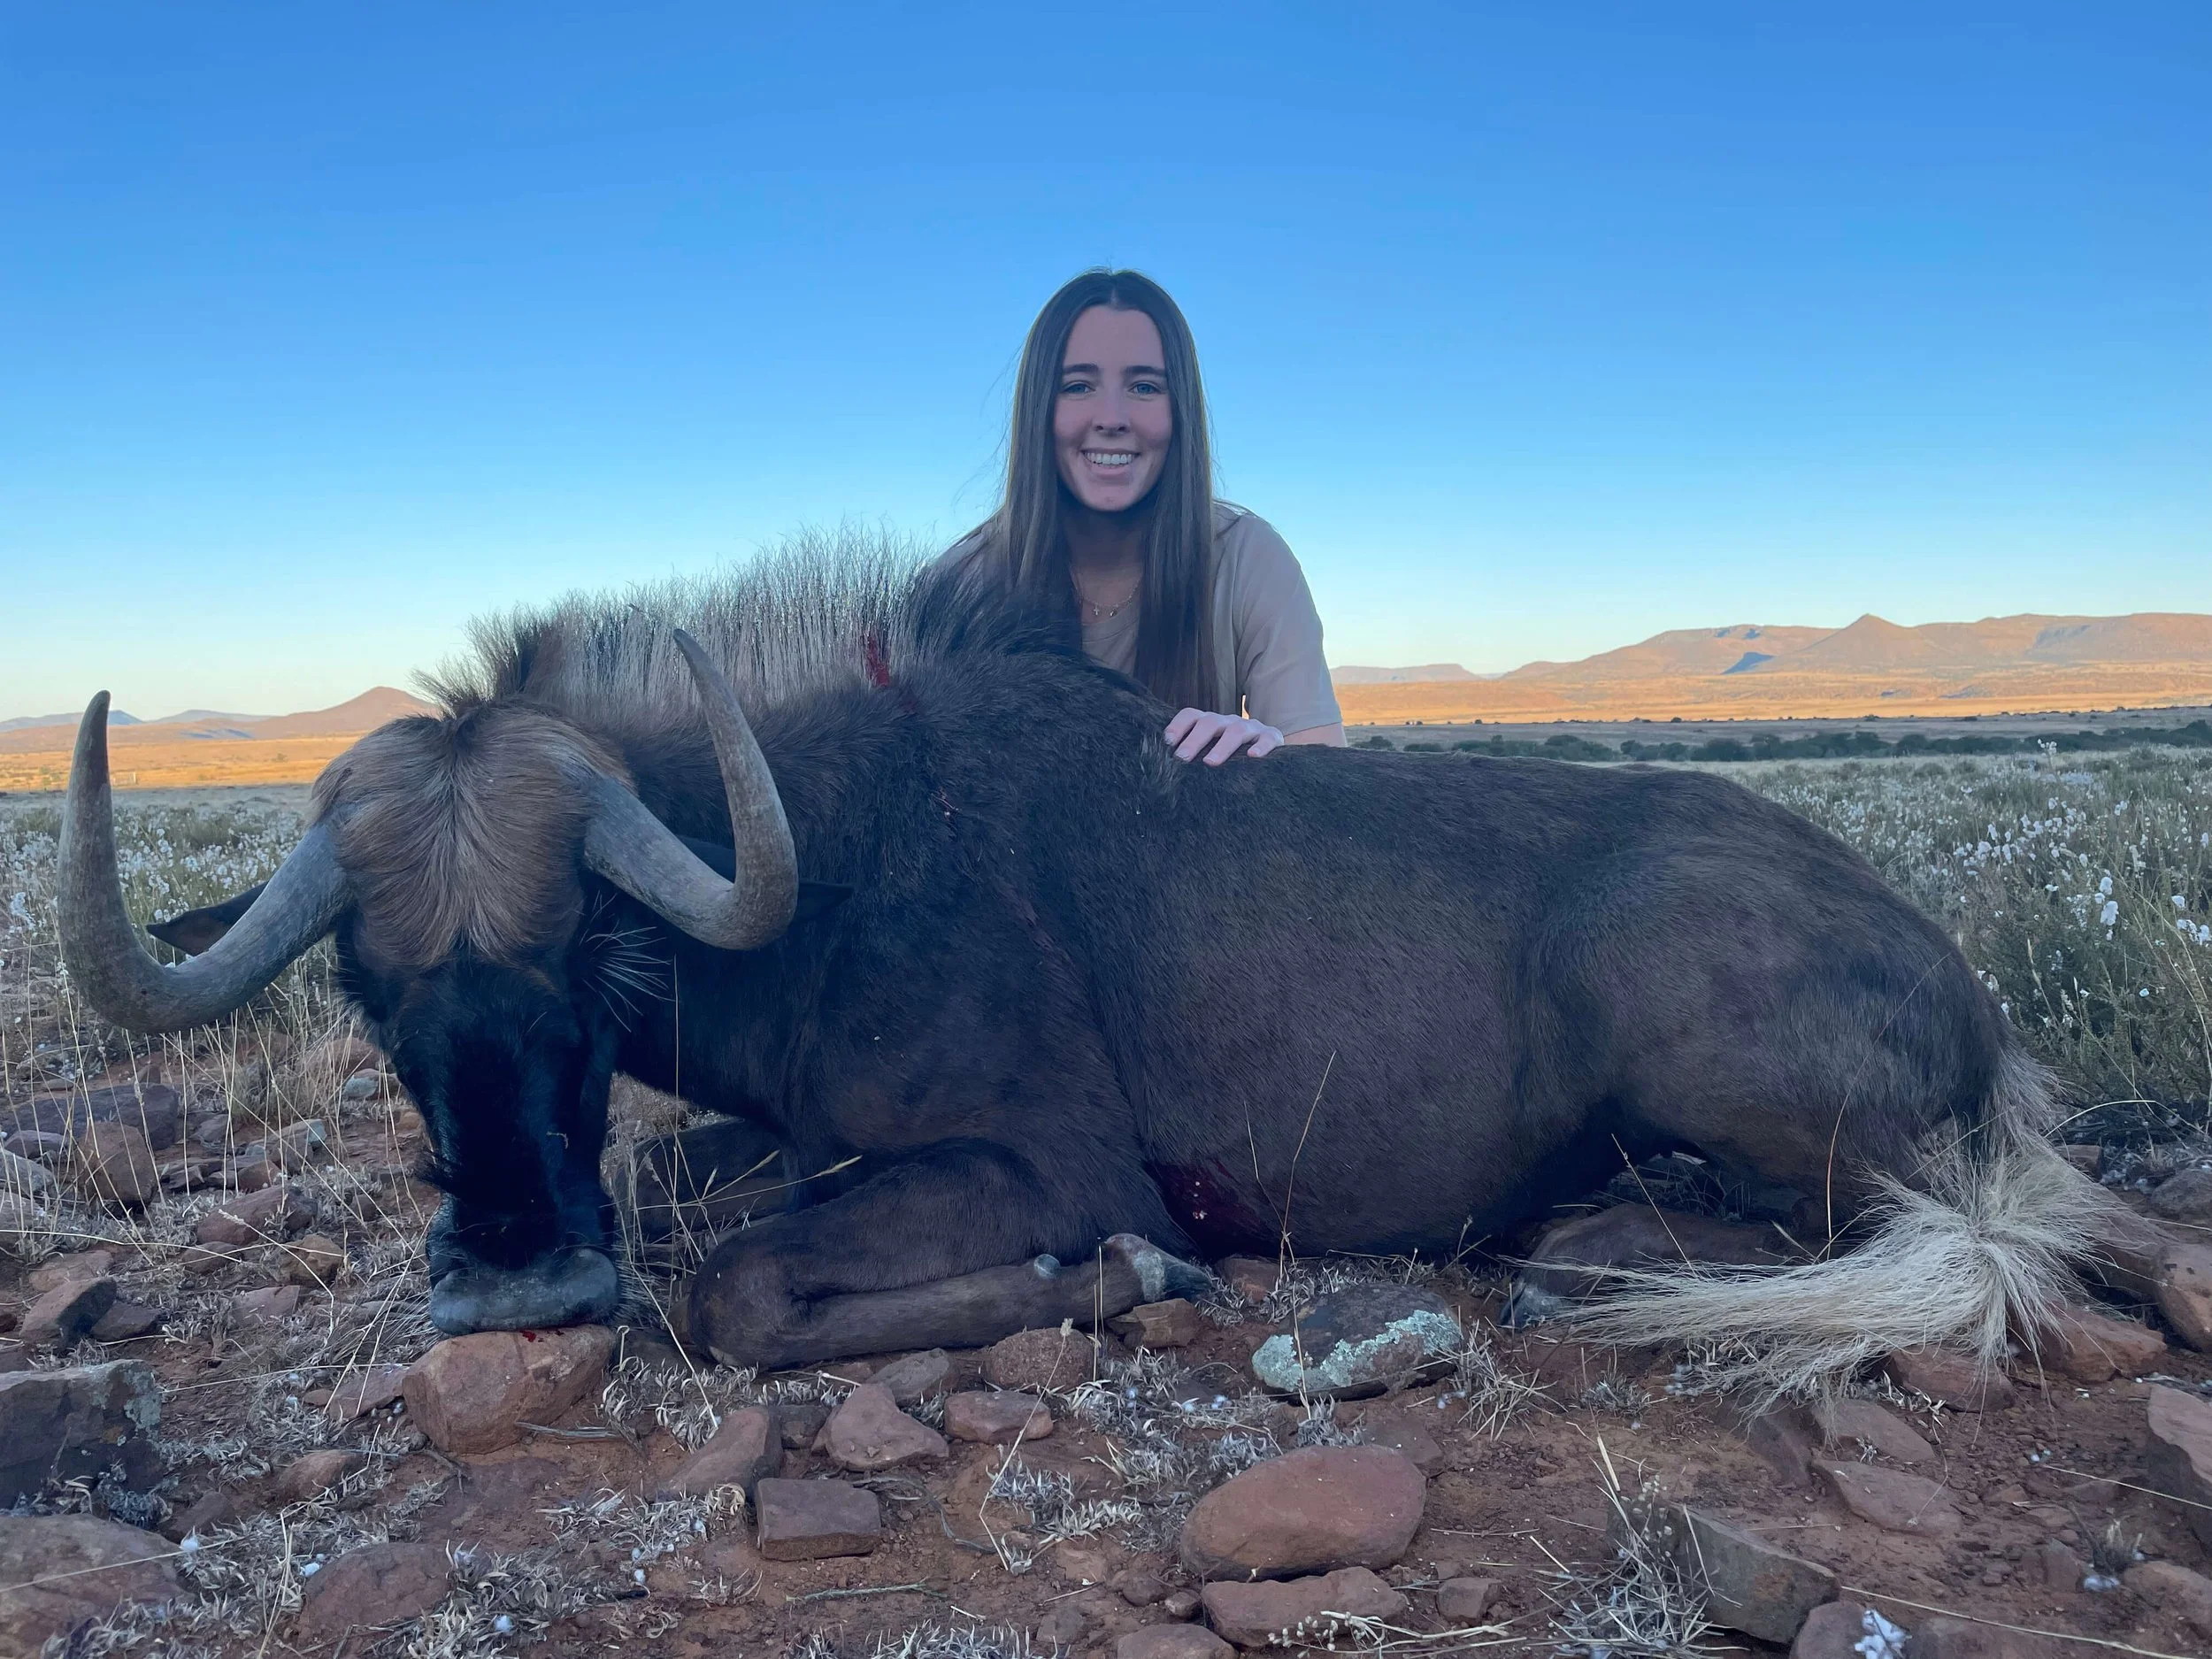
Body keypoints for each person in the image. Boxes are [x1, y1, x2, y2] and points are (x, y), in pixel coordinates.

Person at [944, 269, 1346, 764]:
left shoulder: (1249, 557)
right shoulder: (959, 586)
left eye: (1144, 387)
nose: (1112, 417)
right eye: (1077, 385)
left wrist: (1265, 755)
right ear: (1037, 409)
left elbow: (1333, 778)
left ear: (1182, 411)